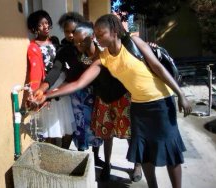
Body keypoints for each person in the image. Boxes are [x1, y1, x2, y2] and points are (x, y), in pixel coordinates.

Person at [36, 14, 192, 188]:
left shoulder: (134, 43)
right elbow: (79, 83)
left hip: (161, 101)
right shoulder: (103, 58)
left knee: (170, 151)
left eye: (101, 34)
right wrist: (47, 94)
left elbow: (158, 67)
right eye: (96, 34)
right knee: (144, 153)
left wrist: (181, 95)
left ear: (115, 31)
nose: (97, 38)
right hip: (139, 107)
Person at [71, 21, 142, 181]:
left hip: (122, 95)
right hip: (103, 98)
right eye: (76, 41)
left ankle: (137, 164)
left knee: (130, 133)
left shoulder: (106, 50)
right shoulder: (82, 57)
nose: (78, 44)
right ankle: (107, 165)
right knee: (106, 133)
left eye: (81, 40)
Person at [33, 12, 104, 164]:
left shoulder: (88, 45)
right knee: (79, 127)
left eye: (74, 31)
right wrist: (43, 88)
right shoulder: (65, 50)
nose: (71, 35)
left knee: (95, 126)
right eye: (67, 31)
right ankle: (80, 157)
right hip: (75, 92)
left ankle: (96, 157)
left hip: (94, 92)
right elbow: (56, 70)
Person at [24, 10, 75, 148]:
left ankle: (64, 152)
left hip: (61, 84)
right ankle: (52, 157)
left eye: (46, 23)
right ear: (34, 28)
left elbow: (60, 63)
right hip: (47, 85)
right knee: (51, 127)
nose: (45, 26)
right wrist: (36, 92)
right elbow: (34, 72)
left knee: (66, 125)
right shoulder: (33, 47)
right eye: (41, 25)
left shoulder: (55, 41)